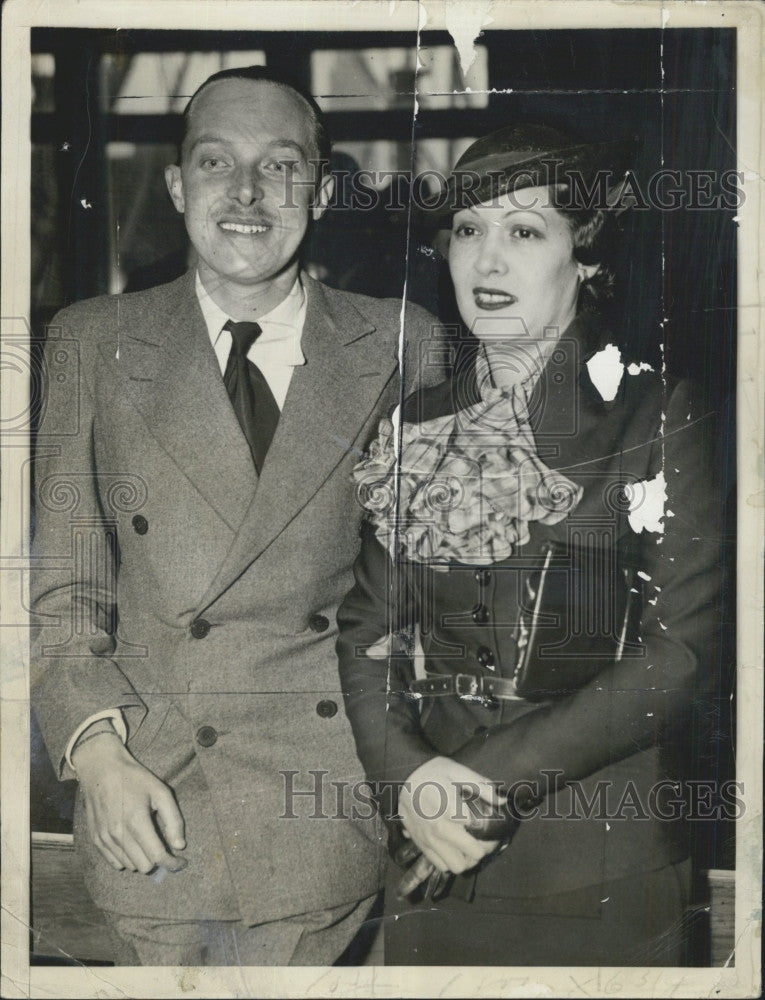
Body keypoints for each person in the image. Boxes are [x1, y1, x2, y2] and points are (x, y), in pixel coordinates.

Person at [30, 65, 442, 966]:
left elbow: (429, 600)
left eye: (280, 166)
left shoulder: (403, 343)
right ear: (178, 186)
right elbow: (64, 594)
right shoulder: (91, 342)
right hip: (153, 803)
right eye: (216, 163)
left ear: (322, 191)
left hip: (329, 807)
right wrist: (97, 758)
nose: (247, 194)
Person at [336, 124, 723, 965]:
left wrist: (477, 785)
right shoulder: (415, 423)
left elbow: (681, 656)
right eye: (469, 232)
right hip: (429, 860)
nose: (487, 263)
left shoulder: (653, 416)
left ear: (584, 257)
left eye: (524, 231)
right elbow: (367, 630)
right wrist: (409, 780)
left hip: (594, 868)